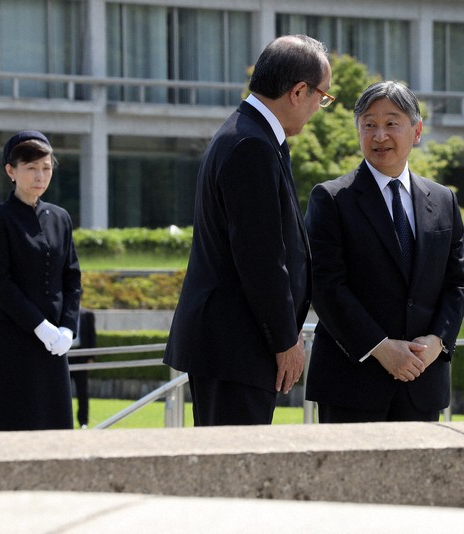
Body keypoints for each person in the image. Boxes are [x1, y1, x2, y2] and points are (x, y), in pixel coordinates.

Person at [164, 35, 332, 426]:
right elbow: (259, 258)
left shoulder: (249, 134)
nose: (318, 109)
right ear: (298, 91)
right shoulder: (250, 145)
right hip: (237, 346)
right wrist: (285, 340)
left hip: (235, 345)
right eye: (321, 98)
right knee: (233, 476)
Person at [305, 81, 464, 423]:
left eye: (392, 123)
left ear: (417, 130)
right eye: (369, 125)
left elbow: (458, 283)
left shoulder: (443, 200)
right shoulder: (332, 199)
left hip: (422, 379)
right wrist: (381, 348)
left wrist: (436, 342)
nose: (380, 135)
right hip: (353, 382)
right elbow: (324, 286)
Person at [0, 130, 81, 430]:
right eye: (31, 168)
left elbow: (72, 278)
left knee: (55, 427)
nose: (40, 176)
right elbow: (1, 284)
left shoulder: (60, 218)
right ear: (11, 171)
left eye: (46, 168)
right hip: (12, 342)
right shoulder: (1, 219)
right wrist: (39, 325)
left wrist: (68, 328)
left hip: (54, 346)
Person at [69, 308, 97, 428]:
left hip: (81, 356)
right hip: (65, 355)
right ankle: (65, 419)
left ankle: (83, 421)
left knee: (83, 391)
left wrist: (91, 357)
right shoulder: (64, 311)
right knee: (63, 390)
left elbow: (92, 336)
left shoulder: (87, 314)